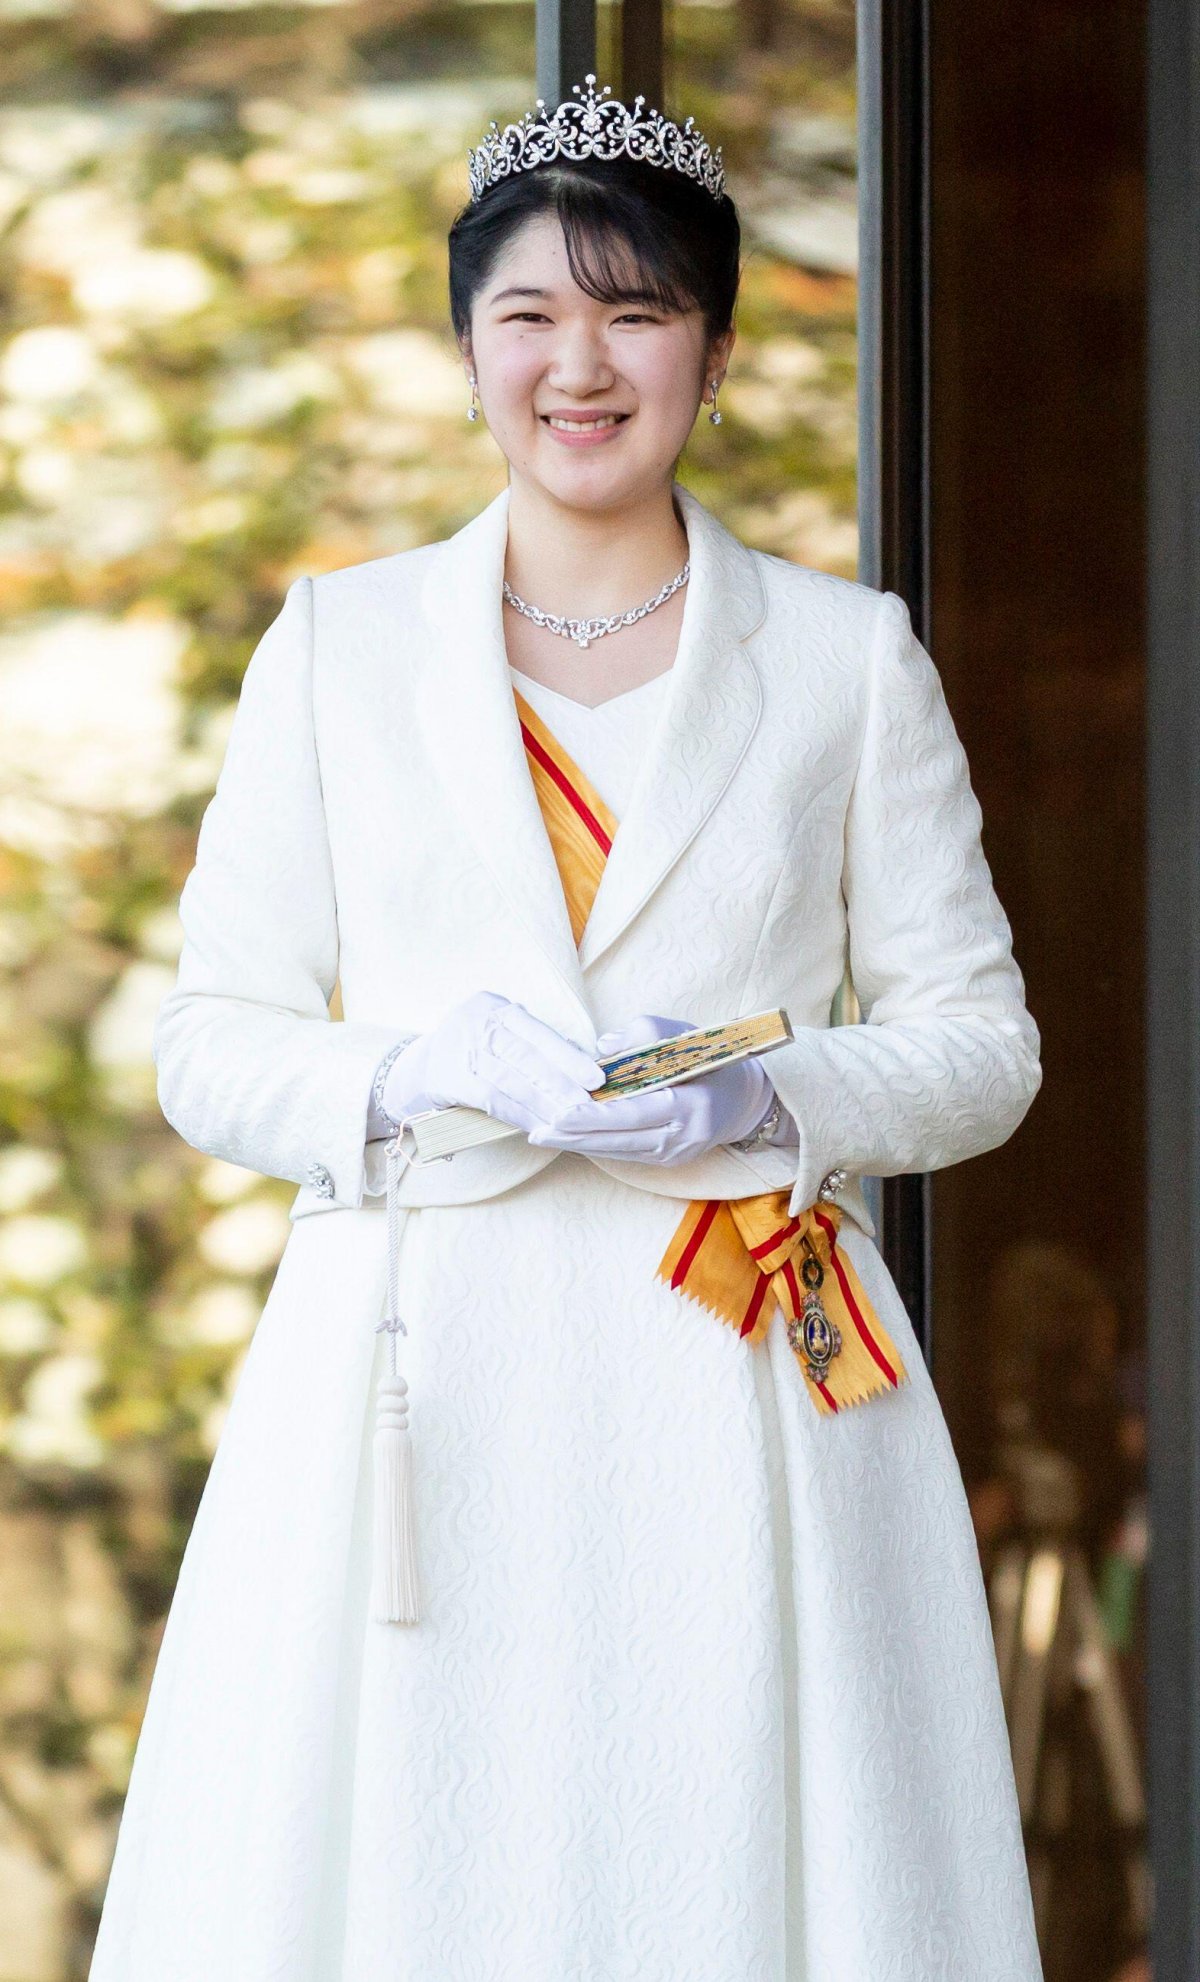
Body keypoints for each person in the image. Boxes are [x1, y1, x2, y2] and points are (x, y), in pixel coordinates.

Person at [89, 76, 1046, 1982]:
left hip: (738, 1357)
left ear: (715, 352)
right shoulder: (338, 646)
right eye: (529, 314)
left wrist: (771, 1092)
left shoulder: (844, 656)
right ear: (469, 354)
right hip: (419, 1368)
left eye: (637, 312)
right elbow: (211, 1037)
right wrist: (409, 1069)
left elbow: (982, 1043)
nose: (579, 364)